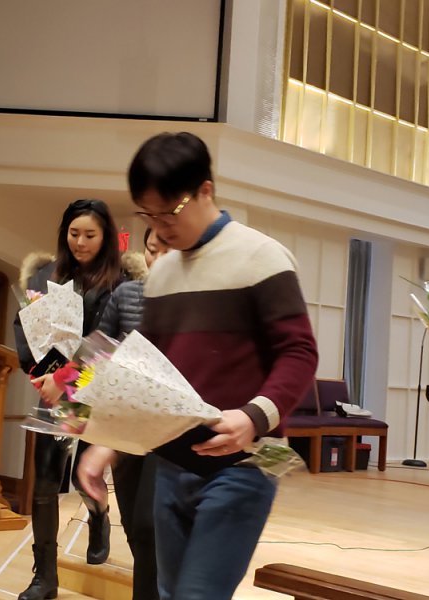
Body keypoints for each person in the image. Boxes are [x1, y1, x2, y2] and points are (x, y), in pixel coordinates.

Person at [78, 131, 319, 600]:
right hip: (172, 463)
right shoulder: (163, 274)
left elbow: (299, 352)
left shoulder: (261, 257)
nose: (159, 227)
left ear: (205, 190)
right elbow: (145, 372)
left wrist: (254, 417)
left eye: (169, 212)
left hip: (243, 465)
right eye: (148, 214)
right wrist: (106, 444)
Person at [14, 198, 122, 600]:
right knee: (44, 483)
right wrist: (40, 374)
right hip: (54, 390)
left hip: (95, 390)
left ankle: (99, 517)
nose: (80, 242)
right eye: (74, 233)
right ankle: (44, 576)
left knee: (84, 476)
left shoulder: (119, 282)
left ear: (105, 236)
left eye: (90, 235)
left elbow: (111, 342)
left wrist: (70, 381)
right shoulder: (45, 275)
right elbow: (26, 329)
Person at [94, 227, 169, 600]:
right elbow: (98, 352)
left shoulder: (194, 301)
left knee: (148, 523)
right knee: (134, 527)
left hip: (169, 427)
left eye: (167, 249)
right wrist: (64, 382)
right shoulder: (126, 294)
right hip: (126, 423)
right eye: (152, 249)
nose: (158, 257)